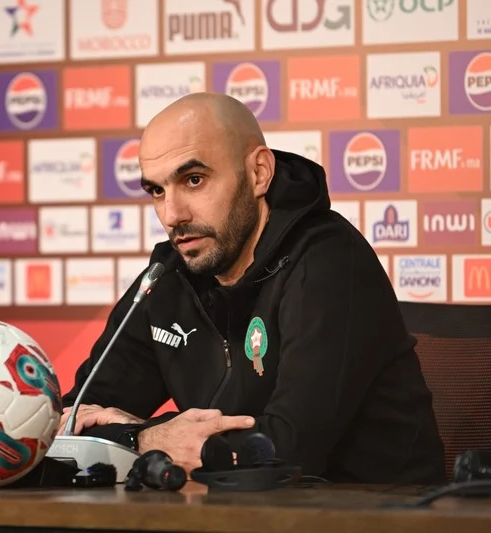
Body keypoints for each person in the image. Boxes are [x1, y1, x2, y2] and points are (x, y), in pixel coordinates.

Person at [59, 92, 445, 484]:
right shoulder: (169, 277)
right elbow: (71, 424)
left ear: (259, 173)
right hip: (236, 508)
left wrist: (146, 438)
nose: (172, 215)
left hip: (374, 508)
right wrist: (142, 438)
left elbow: (287, 452)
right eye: (157, 191)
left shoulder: (329, 260)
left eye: (194, 180)